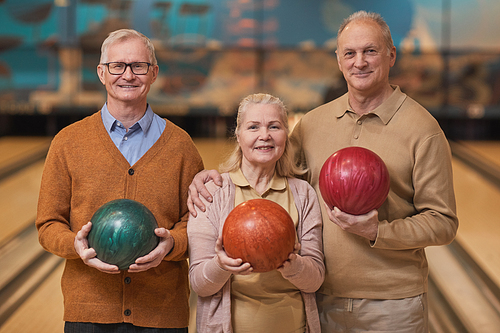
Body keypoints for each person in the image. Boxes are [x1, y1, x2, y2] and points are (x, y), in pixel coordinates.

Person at [187, 11, 458, 332]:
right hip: (321, 298)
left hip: (392, 301)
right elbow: (269, 169)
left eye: (370, 51)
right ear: (339, 60)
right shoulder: (312, 124)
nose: (360, 62)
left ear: (391, 55)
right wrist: (210, 177)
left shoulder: (423, 129)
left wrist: (378, 231)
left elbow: (443, 222)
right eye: (350, 53)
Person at [36, 29, 204, 332]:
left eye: (139, 66)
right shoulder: (68, 142)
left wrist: (172, 244)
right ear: (102, 73)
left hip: (161, 313)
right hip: (88, 311)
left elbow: (198, 224)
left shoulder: (181, 146)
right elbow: (48, 224)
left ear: (153, 74)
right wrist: (76, 246)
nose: (128, 75)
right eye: (117, 66)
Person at [187, 93, 325, 332]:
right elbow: (199, 283)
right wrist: (221, 265)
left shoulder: (303, 193)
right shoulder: (212, 193)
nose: (265, 135)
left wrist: (294, 265)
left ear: (286, 135)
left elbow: (315, 280)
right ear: (238, 136)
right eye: (253, 127)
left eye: (275, 126)